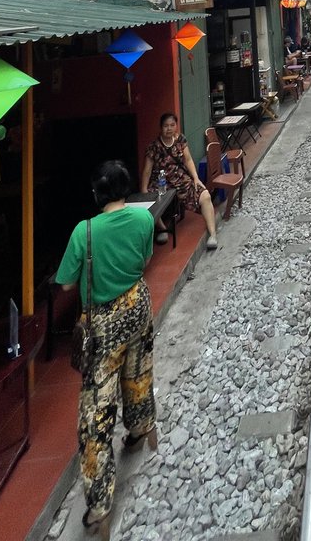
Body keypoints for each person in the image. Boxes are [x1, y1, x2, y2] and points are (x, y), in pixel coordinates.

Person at [56, 160, 157, 536]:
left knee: (96, 410)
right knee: (139, 371)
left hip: (103, 323)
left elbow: (67, 284)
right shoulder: (143, 219)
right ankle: (141, 427)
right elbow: (145, 259)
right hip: (138, 305)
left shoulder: (84, 232)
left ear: (97, 193)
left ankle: (100, 504)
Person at [142, 112, 218, 249]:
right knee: (149, 202)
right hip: (161, 182)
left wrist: (195, 178)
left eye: (172, 125)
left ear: (176, 126)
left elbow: (188, 160)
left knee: (205, 195)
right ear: (161, 127)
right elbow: (147, 170)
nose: (169, 128)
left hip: (181, 179)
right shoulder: (153, 147)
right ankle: (163, 229)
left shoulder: (181, 140)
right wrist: (143, 190)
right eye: (166, 126)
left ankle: (212, 234)